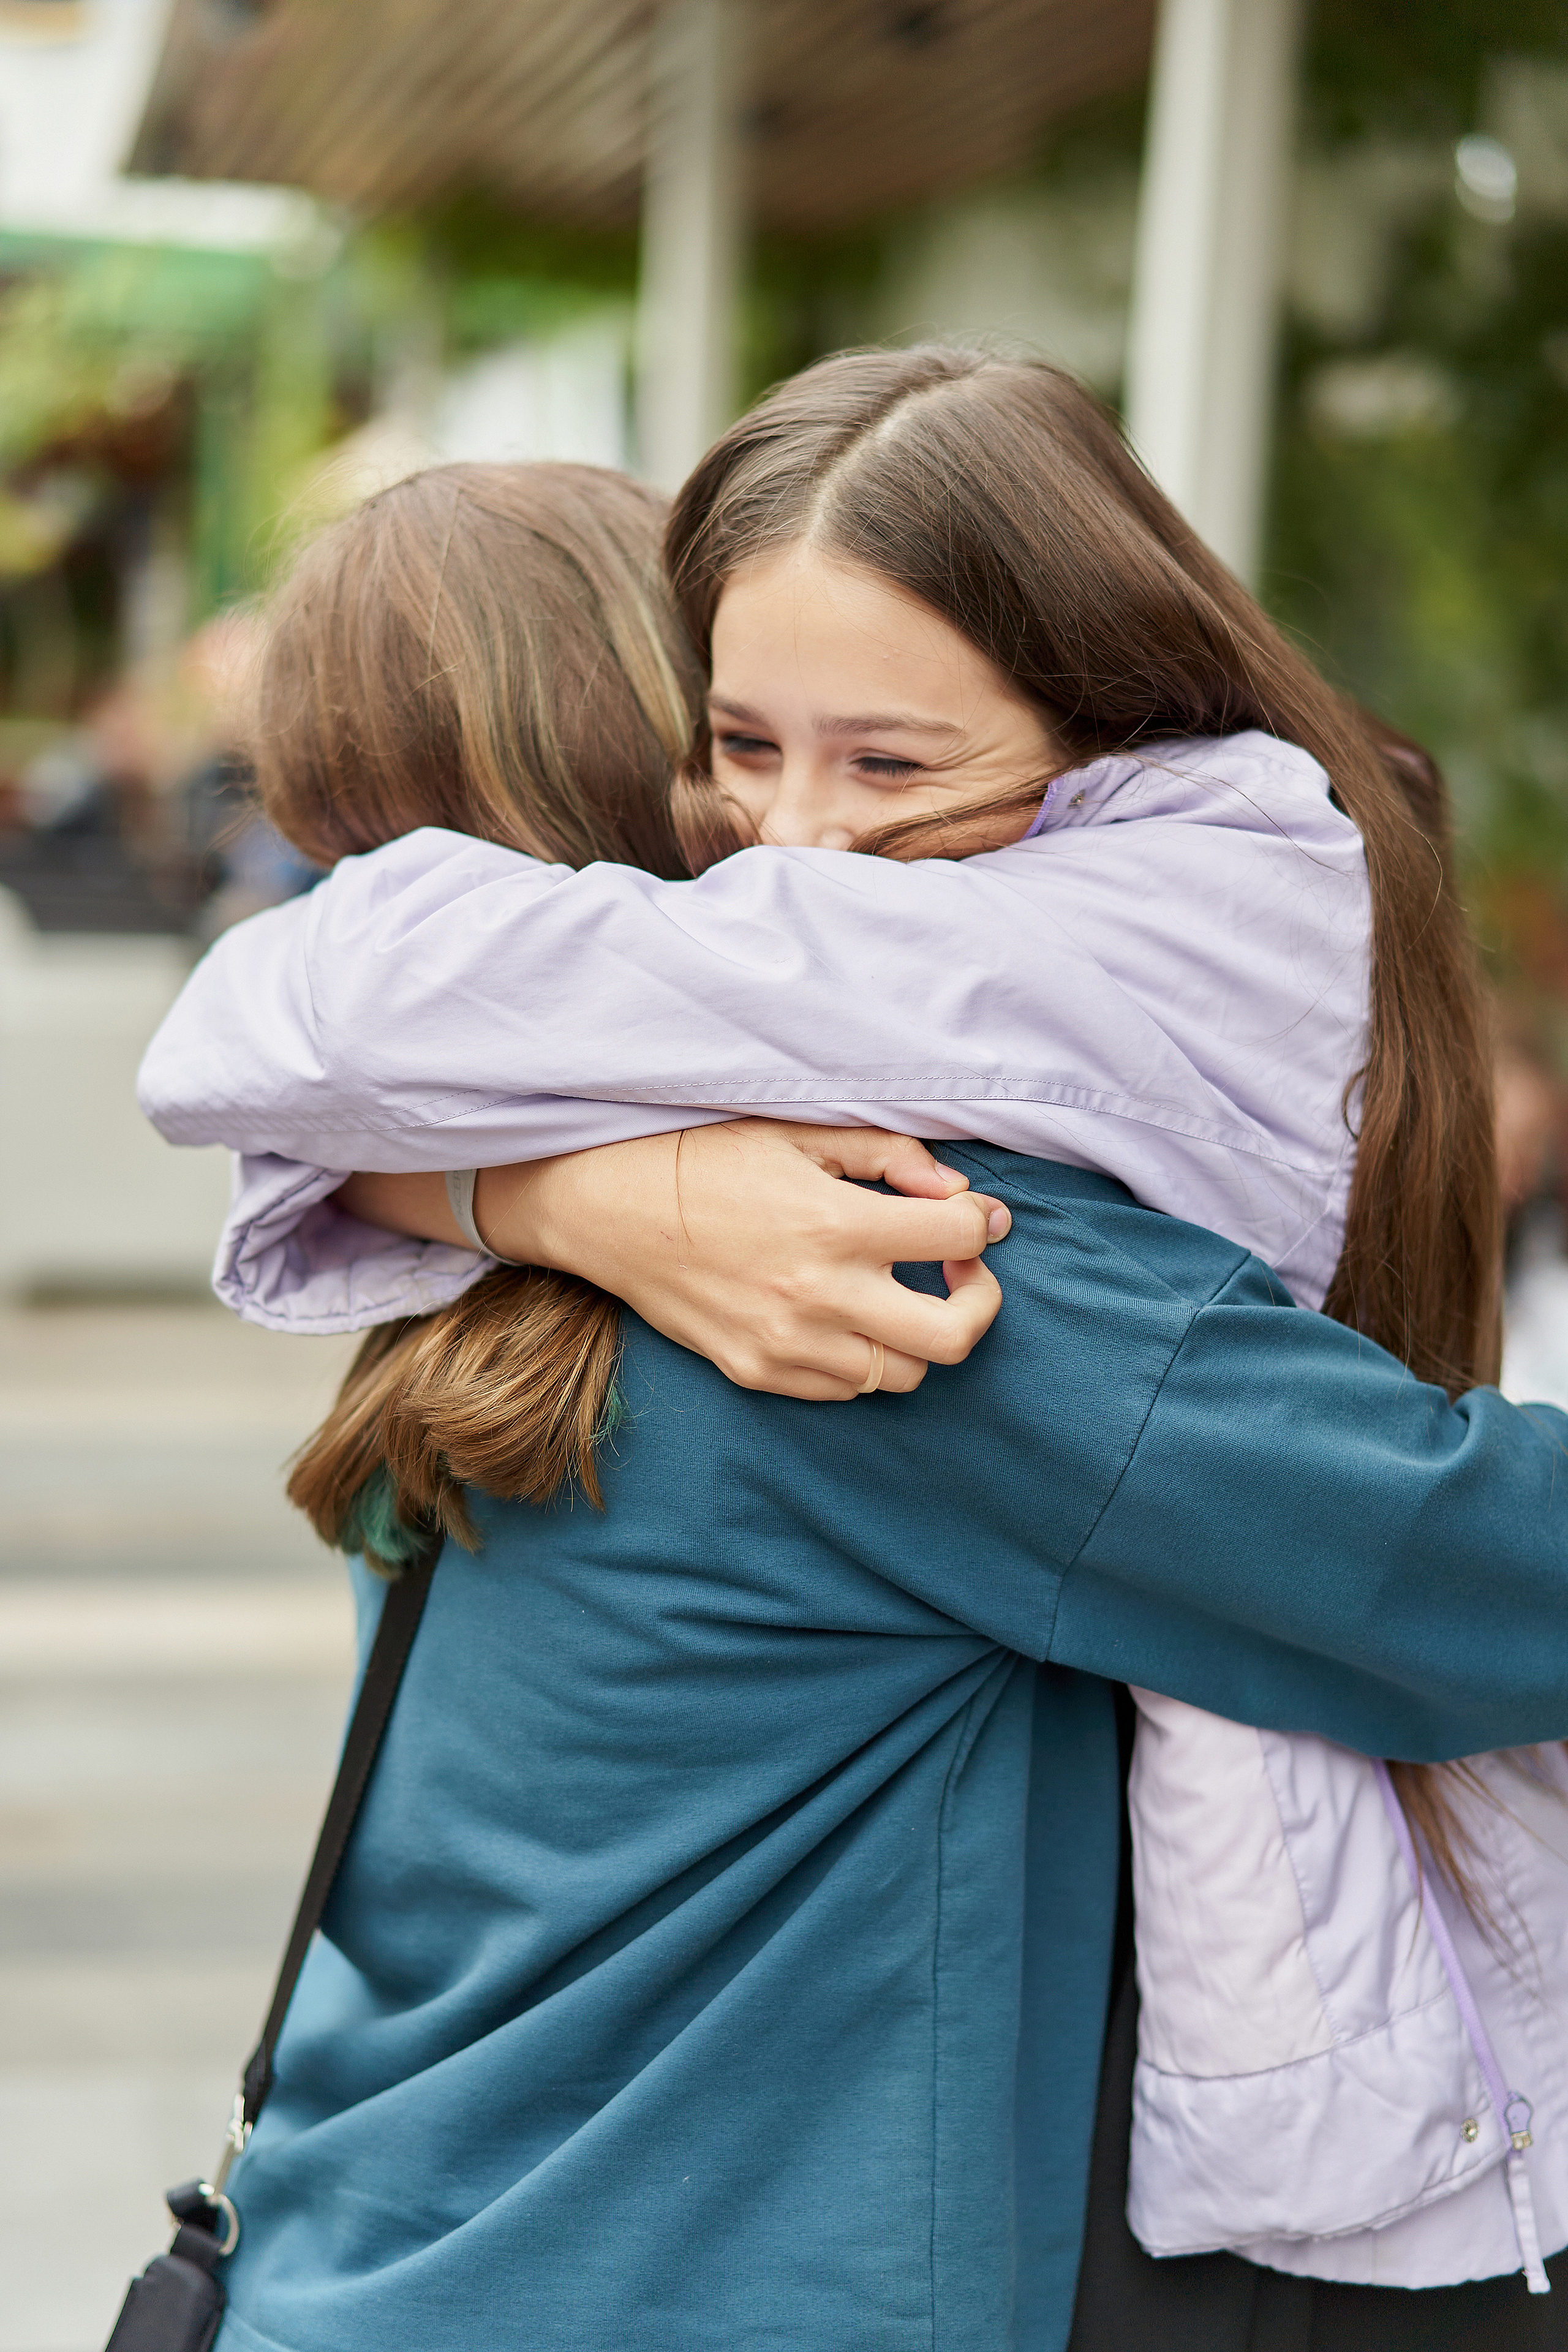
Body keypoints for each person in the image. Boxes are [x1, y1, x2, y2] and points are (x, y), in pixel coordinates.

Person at [137, 369, 1565, 2346]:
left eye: (886, 766)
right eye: (747, 747)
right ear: (662, 770)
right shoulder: (889, 1269)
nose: (797, 852)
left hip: (374, 2261)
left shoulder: (469, 1284)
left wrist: (519, 1194)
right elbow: (1488, 1573)